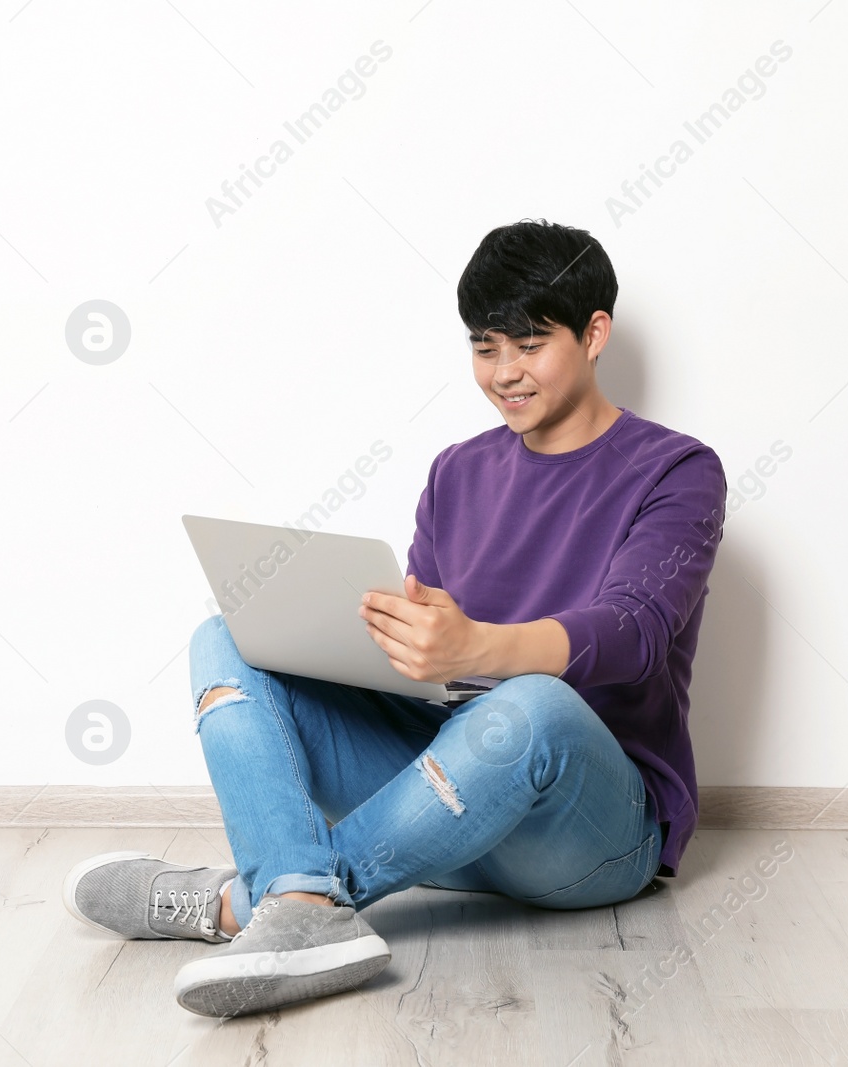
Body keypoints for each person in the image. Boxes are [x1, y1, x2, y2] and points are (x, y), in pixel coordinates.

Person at [63, 219, 728, 1019]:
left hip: (594, 827)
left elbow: (634, 633)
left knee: (536, 704)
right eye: (486, 347)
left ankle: (247, 902)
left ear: (593, 335)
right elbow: (431, 672)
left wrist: (480, 644)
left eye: (529, 344)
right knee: (225, 637)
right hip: (449, 809)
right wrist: (390, 643)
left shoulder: (679, 469)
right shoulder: (457, 471)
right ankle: (301, 900)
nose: (506, 372)